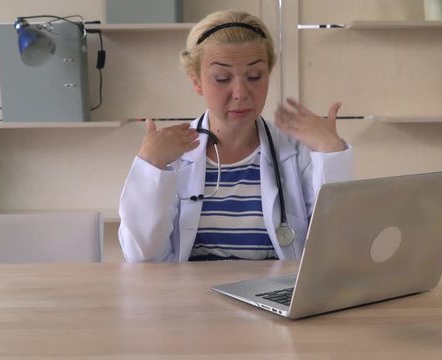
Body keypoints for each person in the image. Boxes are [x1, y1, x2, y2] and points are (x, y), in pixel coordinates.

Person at [118, 10, 353, 262]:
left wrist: (331, 154)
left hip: (272, 296)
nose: (240, 92)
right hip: (189, 297)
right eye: (222, 78)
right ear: (197, 81)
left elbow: (335, 249)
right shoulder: (168, 155)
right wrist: (150, 169)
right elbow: (141, 258)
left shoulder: (297, 153)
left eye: (254, 76)